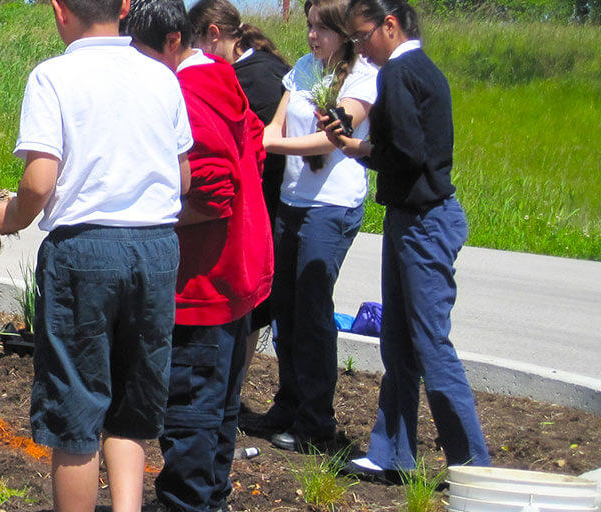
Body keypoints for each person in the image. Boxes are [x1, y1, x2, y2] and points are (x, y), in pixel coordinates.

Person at [0, 0, 193, 507]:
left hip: (85, 251)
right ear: (123, 7)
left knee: (75, 409)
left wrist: (10, 217)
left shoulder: (53, 76)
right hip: (156, 247)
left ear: (60, 11)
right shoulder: (161, 75)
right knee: (130, 406)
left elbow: (39, 180)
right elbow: (184, 177)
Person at [324, 0, 490, 481]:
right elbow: (409, 148)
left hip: (423, 223)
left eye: (360, 37)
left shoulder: (397, 73)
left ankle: (472, 467)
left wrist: (360, 148)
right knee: (398, 341)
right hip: (417, 218)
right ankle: (391, 451)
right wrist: (355, 146)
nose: (360, 48)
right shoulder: (423, 70)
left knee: (428, 344)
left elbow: (408, 153)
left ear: (389, 25)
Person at [123, 0, 272, 509]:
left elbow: (212, 193)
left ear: (173, 42)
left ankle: (188, 502)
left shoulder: (185, 92)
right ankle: (209, 498)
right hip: (237, 272)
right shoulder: (223, 78)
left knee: (189, 411)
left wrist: (145, 210)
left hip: (203, 280)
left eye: (144, 55)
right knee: (220, 409)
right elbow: (254, 147)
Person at [256, 0, 378, 455]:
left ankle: (316, 421)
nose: (312, 36)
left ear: (345, 32)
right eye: (308, 27)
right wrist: (272, 137)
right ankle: (288, 403)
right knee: (284, 307)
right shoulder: (304, 69)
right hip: (292, 202)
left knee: (311, 310)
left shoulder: (363, 75)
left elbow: (335, 135)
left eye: (322, 29)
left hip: (331, 208)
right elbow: (277, 122)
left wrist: (272, 143)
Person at [188, 0, 290, 390]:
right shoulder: (259, 69)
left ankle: (231, 388)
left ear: (213, 34)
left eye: (196, 42)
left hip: (260, 203)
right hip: (261, 204)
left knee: (245, 311)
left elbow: (253, 149)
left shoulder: (249, 79)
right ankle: (231, 391)